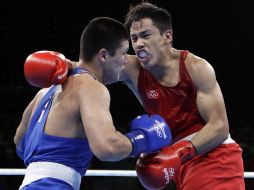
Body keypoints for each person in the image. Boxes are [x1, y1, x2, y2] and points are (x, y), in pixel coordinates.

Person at [14, 17, 172, 190]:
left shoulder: (46, 92)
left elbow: (20, 143)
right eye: (123, 53)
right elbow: (107, 147)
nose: (127, 60)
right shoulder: (91, 87)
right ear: (103, 55)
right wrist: (144, 138)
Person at [119, 2, 245, 190]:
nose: (138, 44)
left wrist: (179, 152)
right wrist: (61, 64)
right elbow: (92, 66)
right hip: (180, 163)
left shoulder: (195, 67)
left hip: (214, 157)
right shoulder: (132, 68)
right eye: (134, 38)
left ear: (167, 36)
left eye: (145, 35)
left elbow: (219, 126)